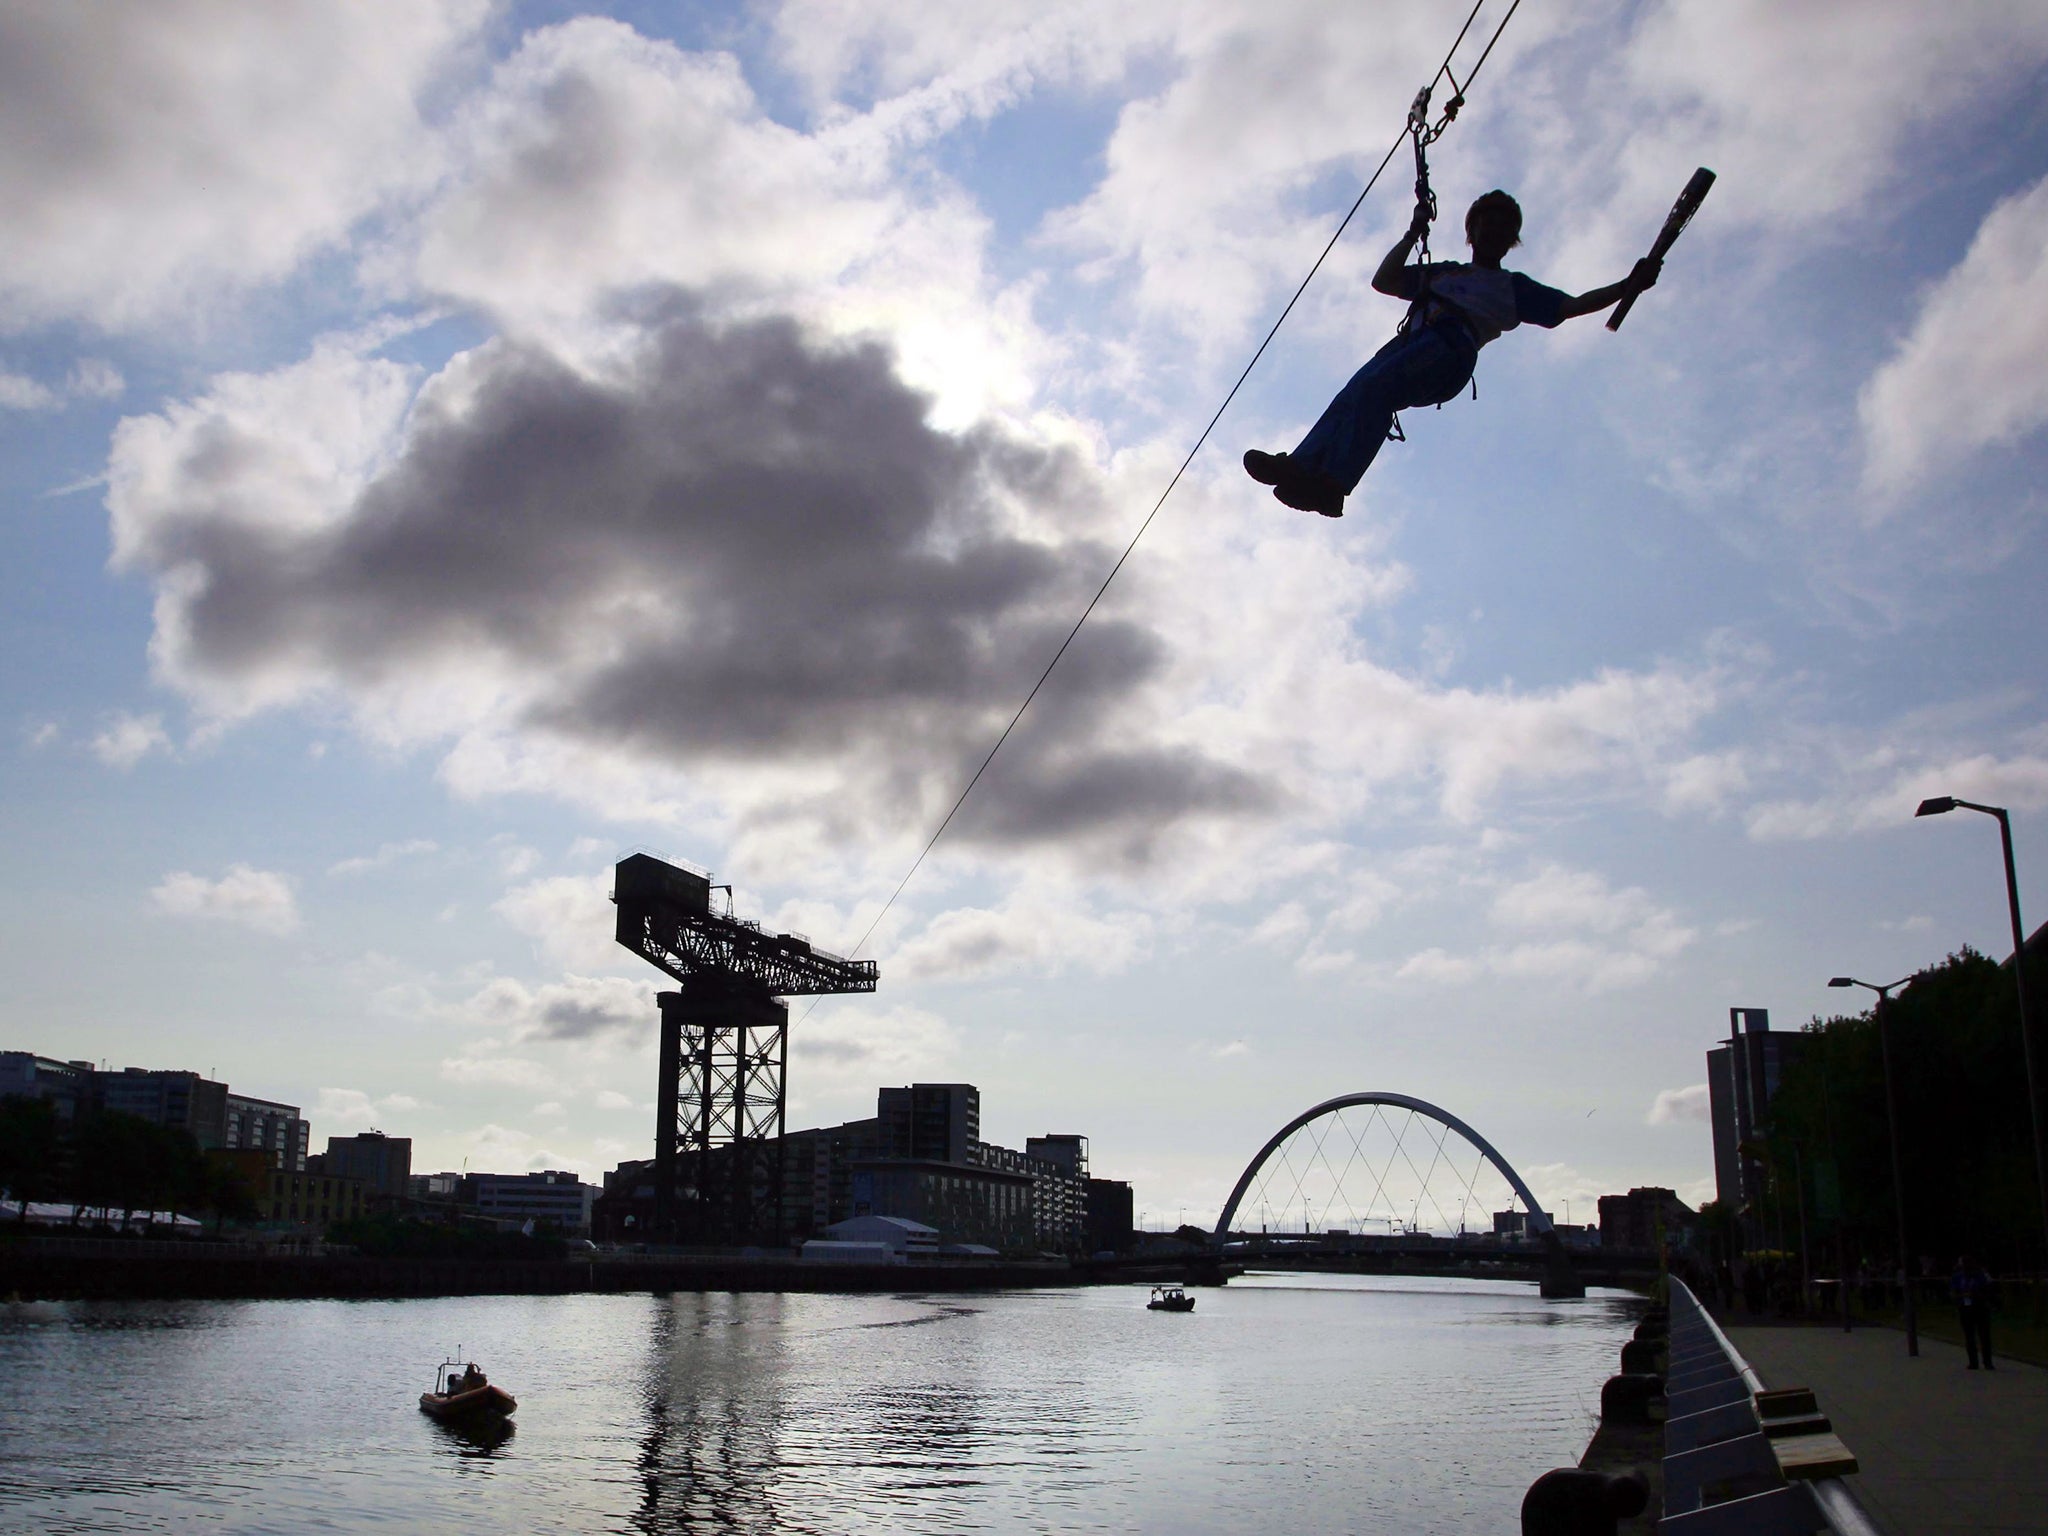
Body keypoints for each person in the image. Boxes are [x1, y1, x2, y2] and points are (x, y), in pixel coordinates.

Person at [1244, 190, 1662, 518]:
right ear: (1472, 231)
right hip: (1411, 342)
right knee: (1355, 394)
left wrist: (1628, 285)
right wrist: (1412, 233)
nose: (1493, 233)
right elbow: (1385, 281)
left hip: (1450, 347)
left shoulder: (1513, 287)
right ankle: (1303, 466)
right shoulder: (1445, 272)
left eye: (1502, 228)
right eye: (1487, 224)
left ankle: (1333, 483)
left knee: (1375, 389)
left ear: (1511, 239)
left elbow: (1571, 305)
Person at [1950, 1255, 1995, 1370]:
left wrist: (1976, 1295)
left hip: (1980, 1307)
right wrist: (1960, 1298)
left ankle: (1987, 1361)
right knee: (1969, 1336)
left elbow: (1988, 1290)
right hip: (1965, 1308)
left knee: (1984, 1336)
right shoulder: (1958, 1277)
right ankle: (1973, 1362)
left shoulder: (1980, 1275)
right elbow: (1954, 1293)